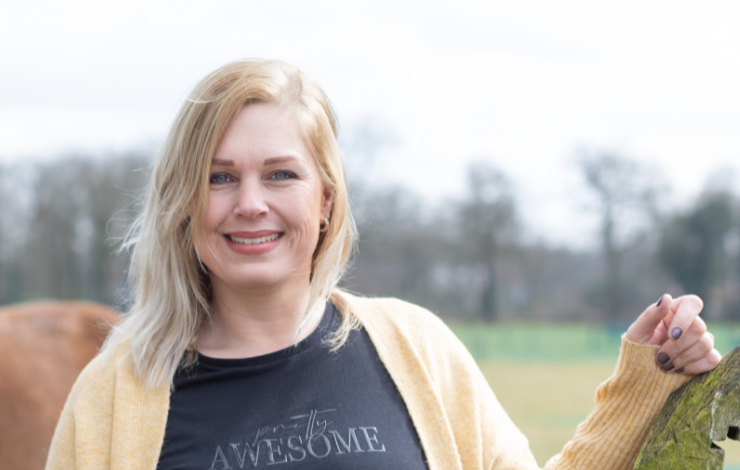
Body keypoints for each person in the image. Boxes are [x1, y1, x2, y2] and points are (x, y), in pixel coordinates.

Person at [45, 59, 722, 470]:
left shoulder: (413, 347)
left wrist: (644, 381)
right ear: (183, 203)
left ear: (324, 200)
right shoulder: (114, 396)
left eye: (280, 174)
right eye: (220, 178)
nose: (250, 203)